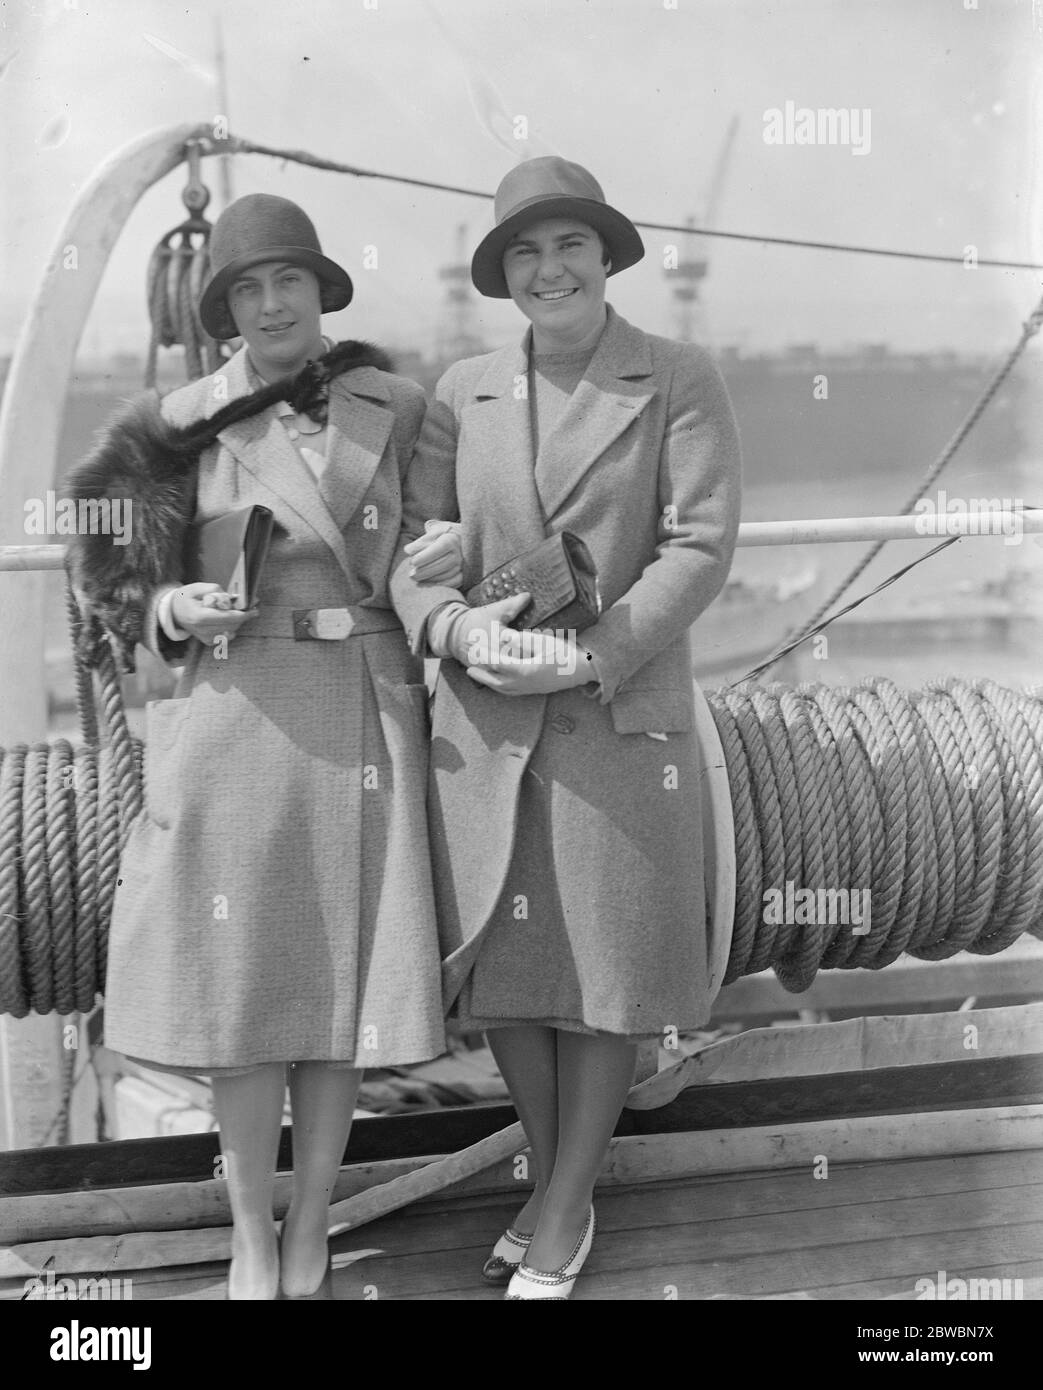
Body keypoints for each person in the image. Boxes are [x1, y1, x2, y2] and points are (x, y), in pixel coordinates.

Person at [67, 193, 460, 1299]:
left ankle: (310, 1227)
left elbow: (435, 554)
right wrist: (169, 607)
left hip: (361, 705)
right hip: (232, 717)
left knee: (336, 994)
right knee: (241, 998)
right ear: (227, 306)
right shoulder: (177, 419)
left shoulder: (402, 404)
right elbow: (107, 572)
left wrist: (461, 581)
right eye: (249, 286)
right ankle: (250, 1229)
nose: (271, 301)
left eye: (289, 278)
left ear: (322, 290)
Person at [392, 157, 742, 1299]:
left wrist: (593, 653)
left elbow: (698, 546)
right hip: (487, 718)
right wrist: (450, 629)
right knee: (510, 971)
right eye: (526, 254)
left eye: (569, 248)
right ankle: (554, 1184)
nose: (549, 271)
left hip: (611, 712)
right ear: (504, 275)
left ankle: (562, 1209)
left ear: (604, 258)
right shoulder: (460, 389)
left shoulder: (677, 376)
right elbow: (414, 550)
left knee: (603, 974)